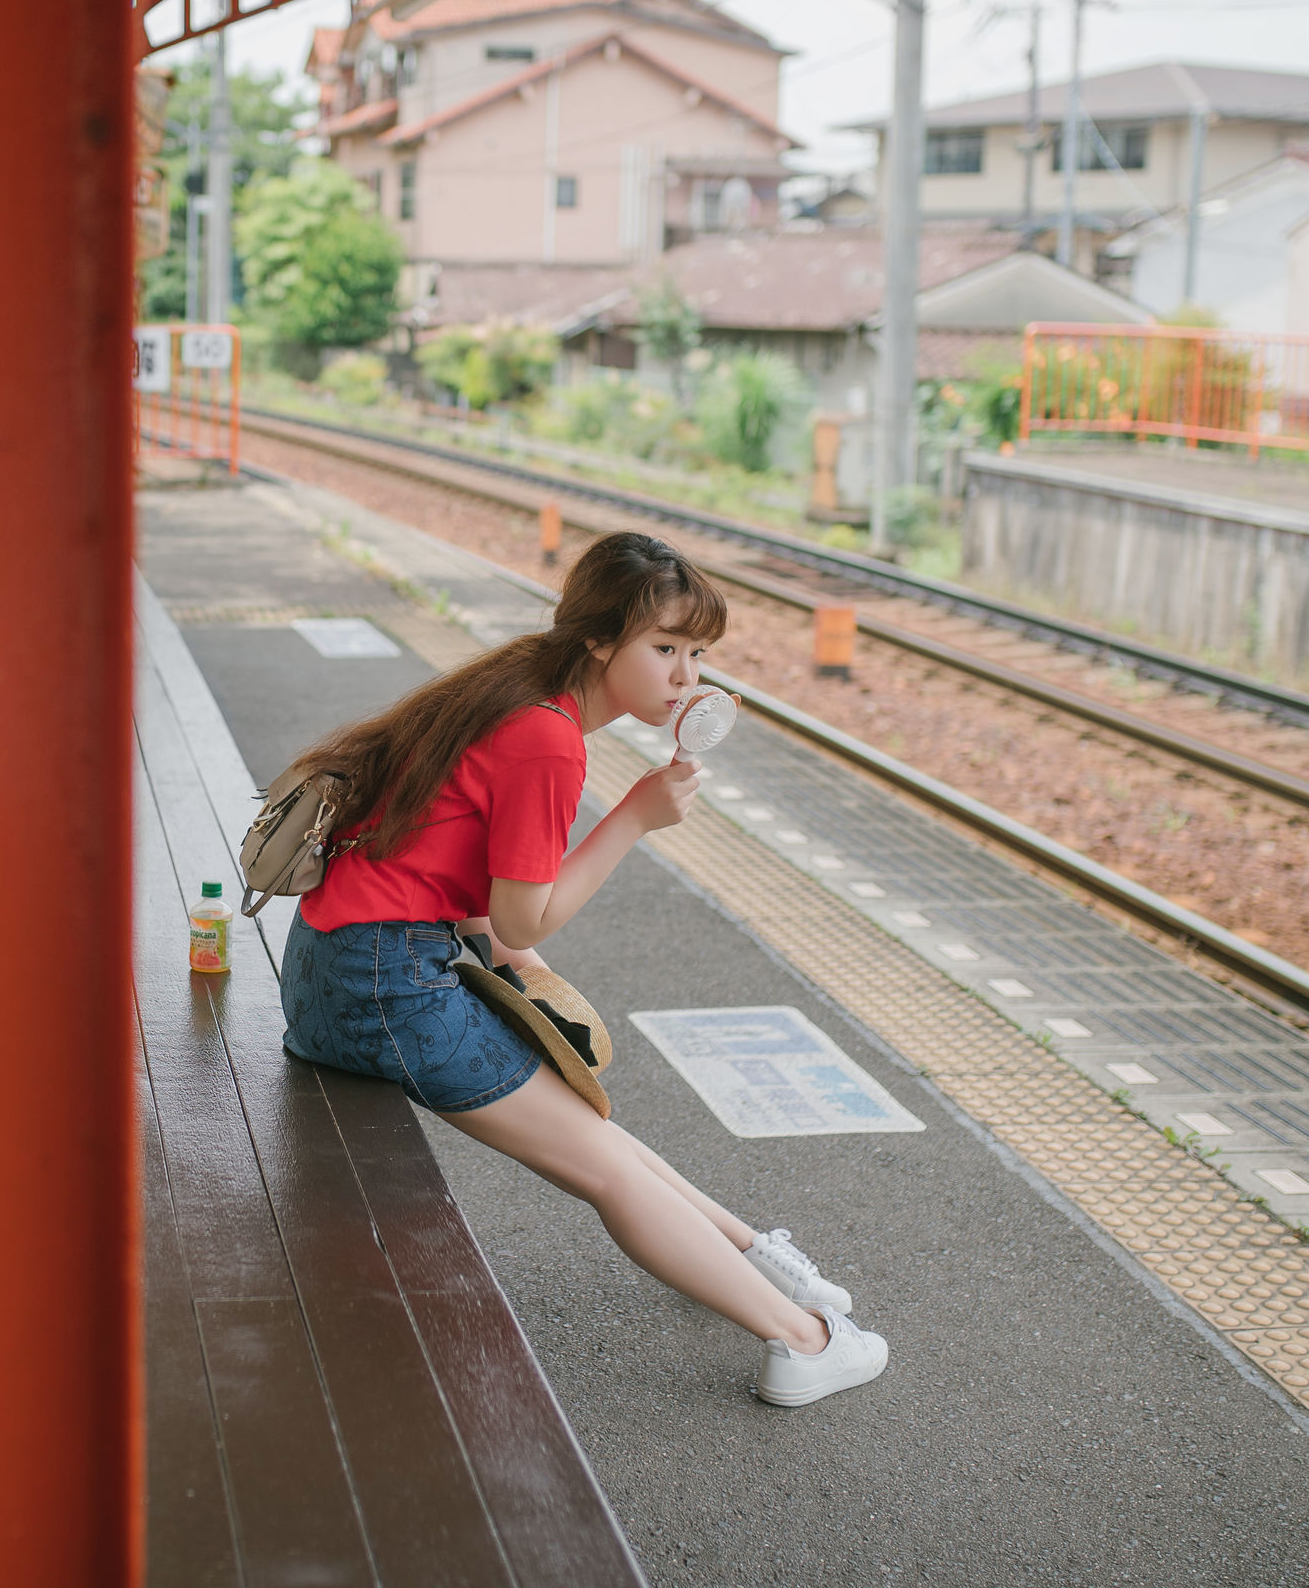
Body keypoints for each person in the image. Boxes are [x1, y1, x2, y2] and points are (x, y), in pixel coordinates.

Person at [278, 531, 888, 1407]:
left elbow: (452, 859)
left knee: (593, 1128)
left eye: (698, 654)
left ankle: (751, 1257)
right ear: (600, 639)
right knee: (605, 1168)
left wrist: (515, 964)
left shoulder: (516, 687)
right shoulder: (548, 738)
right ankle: (802, 1342)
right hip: (384, 987)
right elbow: (524, 913)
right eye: (666, 648)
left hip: (336, 967)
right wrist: (635, 816)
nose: (686, 677)